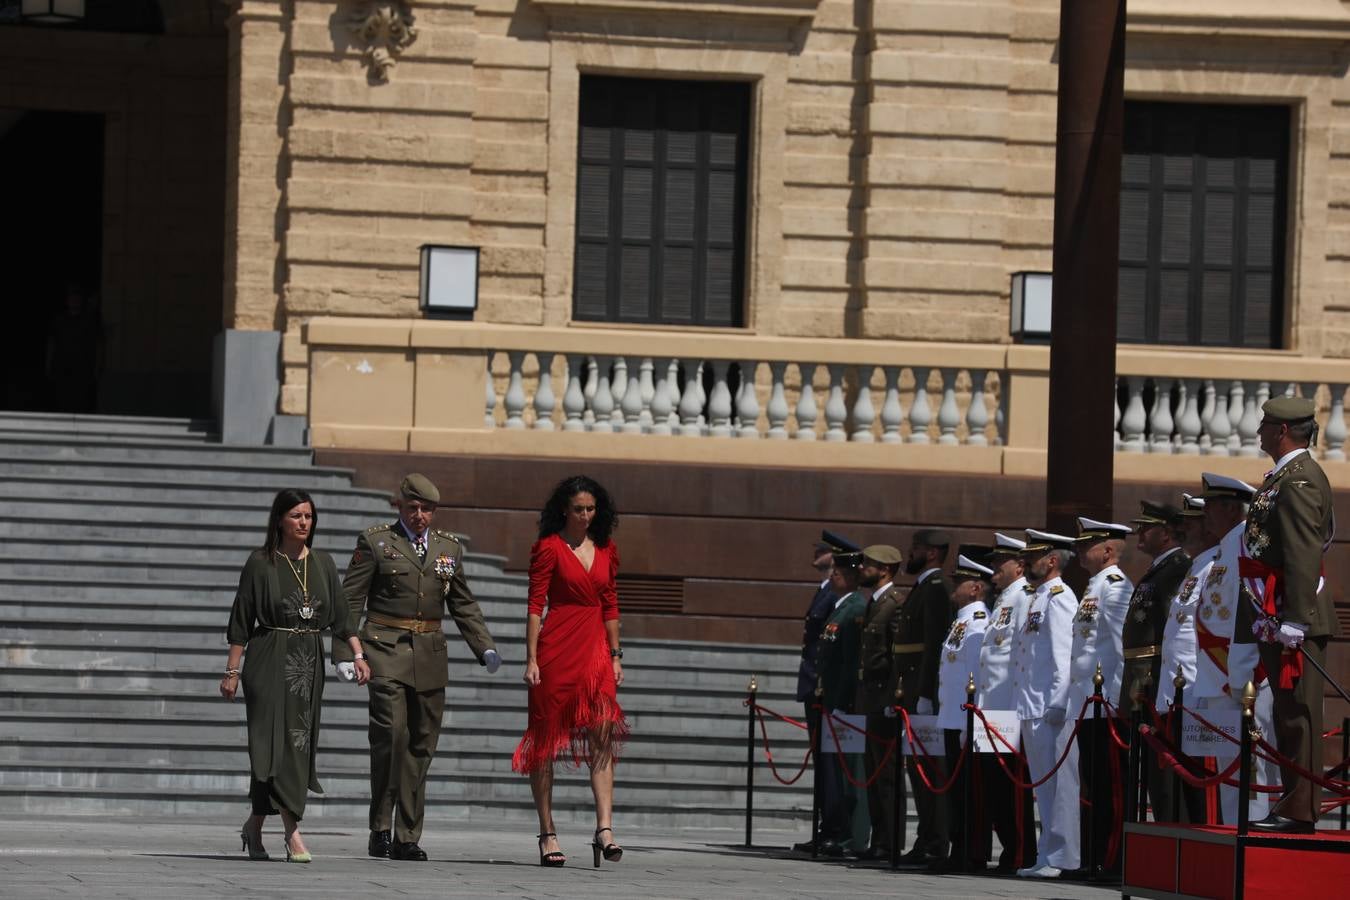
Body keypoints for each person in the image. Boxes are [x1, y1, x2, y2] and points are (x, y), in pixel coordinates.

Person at [335, 474, 500, 862]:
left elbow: (463, 604)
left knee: (421, 745)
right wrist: (345, 653)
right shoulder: (376, 541)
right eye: (414, 508)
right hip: (384, 649)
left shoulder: (448, 548)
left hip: (429, 653)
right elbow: (350, 600)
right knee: (391, 737)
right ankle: (380, 827)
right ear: (400, 505)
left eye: (427, 509)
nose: (420, 515)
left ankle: (407, 836)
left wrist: (484, 647)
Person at [222, 489, 372, 863]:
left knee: (296, 745)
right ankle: (292, 833)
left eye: (308, 516)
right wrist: (232, 671)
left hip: (307, 661)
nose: (304, 522)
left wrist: (358, 653)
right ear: (279, 521)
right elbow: (241, 620)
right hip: (268, 657)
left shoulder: (322, 562)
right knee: (272, 745)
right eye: (296, 516)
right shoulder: (260, 563)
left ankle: (255, 826)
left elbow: (341, 615)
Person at [512, 475, 629, 867]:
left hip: (595, 649)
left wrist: (615, 655)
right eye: (578, 509)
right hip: (556, 648)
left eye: (590, 509)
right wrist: (531, 658)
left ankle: (605, 828)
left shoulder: (607, 549)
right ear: (564, 509)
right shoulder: (548, 548)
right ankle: (547, 832)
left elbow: (610, 604)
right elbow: (534, 605)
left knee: (602, 733)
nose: (584, 516)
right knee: (544, 740)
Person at [1236, 397, 1336, 834]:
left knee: (1298, 715)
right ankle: (1293, 805)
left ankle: (1300, 810)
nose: (1258, 431)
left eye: (1265, 424)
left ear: (1281, 431)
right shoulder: (1283, 477)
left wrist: (1295, 618)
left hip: (1295, 613)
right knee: (1285, 715)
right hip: (1275, 608)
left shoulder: (1299, 481)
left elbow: (1300, 551)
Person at [1191, 472, 1274, 826]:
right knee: (1229, 774)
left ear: (1230, 509)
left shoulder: (1246, 543)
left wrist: (1242, 676)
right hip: (1219, 674)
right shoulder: (1224, 547)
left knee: (1251, 773)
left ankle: (1251, 840)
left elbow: (1252, 610)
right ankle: (1231, 836)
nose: (1205, 514)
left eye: (1210, 506)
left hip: (1241, 677)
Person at [1065, 517, 1132, 874]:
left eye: (1085, 545)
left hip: (1107, 704)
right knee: (1092, 785)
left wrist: (1121, 702)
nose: (1078, 550)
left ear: (1107, 551)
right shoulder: (1094, 586)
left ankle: (1112, 858)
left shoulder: (1116, 586)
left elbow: (1123, 647)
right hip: (1088, 704)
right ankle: (1092, 857)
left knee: (1110, 788)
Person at [1013, 529, 1080, 879]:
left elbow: (1062, 655)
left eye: (1033, 556)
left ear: (1052, 561)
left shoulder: (1060, 597)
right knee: (1043, 787)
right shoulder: (1036, 597)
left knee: (1060, 785)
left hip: (1049, 707)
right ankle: (1046, 853)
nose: (1025, 563)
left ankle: (1062, 856)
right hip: (1031, 705)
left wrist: (1058, 701)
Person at [1119, 500, 1191, 823]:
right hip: (1142, 681)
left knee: (1163, 776)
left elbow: (1172, 632)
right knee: (1150, 772)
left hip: (1156, 679)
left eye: (1147, 527)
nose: (1140, 532)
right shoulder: (1160, 568)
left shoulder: (1177, 567)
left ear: (1166, 533)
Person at [793, 531, 857, 855]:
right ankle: (826, 826)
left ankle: (834, 827)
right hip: (814, 685)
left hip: (824, 688)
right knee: (823, 762)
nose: (816, 553)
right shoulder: (825, 591)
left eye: (823, 551)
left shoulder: (839, 597)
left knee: (830, 764)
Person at [978, 532, 1038, 873]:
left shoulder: (1024, 598)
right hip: (991, 707)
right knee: (995, 786)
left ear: (1018, 566)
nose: (993, 570)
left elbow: (1020, 655)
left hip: (1007, 708)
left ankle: (1020, 853)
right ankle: (1010, 851)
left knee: (1010, 787)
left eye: (1000, 563)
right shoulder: (1003, 600)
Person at [1154, 494, 1215, 823]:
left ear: (1207, 528)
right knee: (1180, 789)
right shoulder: (1196, 566)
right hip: (1179, 692)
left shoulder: (1214, 567)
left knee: (1199, 790)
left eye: (1190, 523)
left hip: (1196, 692)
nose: (1182, 529)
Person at [895, 529, 953, 868]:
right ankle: (926, 836)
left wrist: (927, 694)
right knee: (919, 771)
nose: (910, 553)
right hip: (912, 690)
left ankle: (936, 840)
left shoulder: (935, 590)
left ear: (931, 553)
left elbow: (933, 645)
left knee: (932, 773)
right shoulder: (922, 588)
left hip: (923, 692)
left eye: (915, 548)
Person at [936, 554, 992, 872]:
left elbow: (978, 675)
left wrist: (972, 722)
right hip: (953, 716)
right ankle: (959, 848)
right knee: (956, 791)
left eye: (959, 583)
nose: (953, 588)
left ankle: (972, 851)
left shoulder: (979, 622)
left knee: (970, 792)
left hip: (965, 719)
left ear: (975, 588)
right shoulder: (962, 621)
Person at [814, 549, 871, 856]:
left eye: (836, 573)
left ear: (849, 578)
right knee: (840, 772)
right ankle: (846, 834)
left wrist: (843, 700)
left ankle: (856, 838)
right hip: (833, 698)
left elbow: (851, 662)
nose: (831, 576)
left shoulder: (855, 609)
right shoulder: (841, 608)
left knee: (852, 774)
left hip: (845, 703)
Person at [853, 543, 905, 861]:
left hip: (884, 701)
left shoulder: (894, 604)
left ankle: (890, 841)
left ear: (884, 570)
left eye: (867, 565)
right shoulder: (874, 603)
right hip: (869, 699)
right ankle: (878, 839)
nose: (862, 569)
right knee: (873, 774)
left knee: (887, 776)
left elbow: (897, 657)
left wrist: (893, 699)